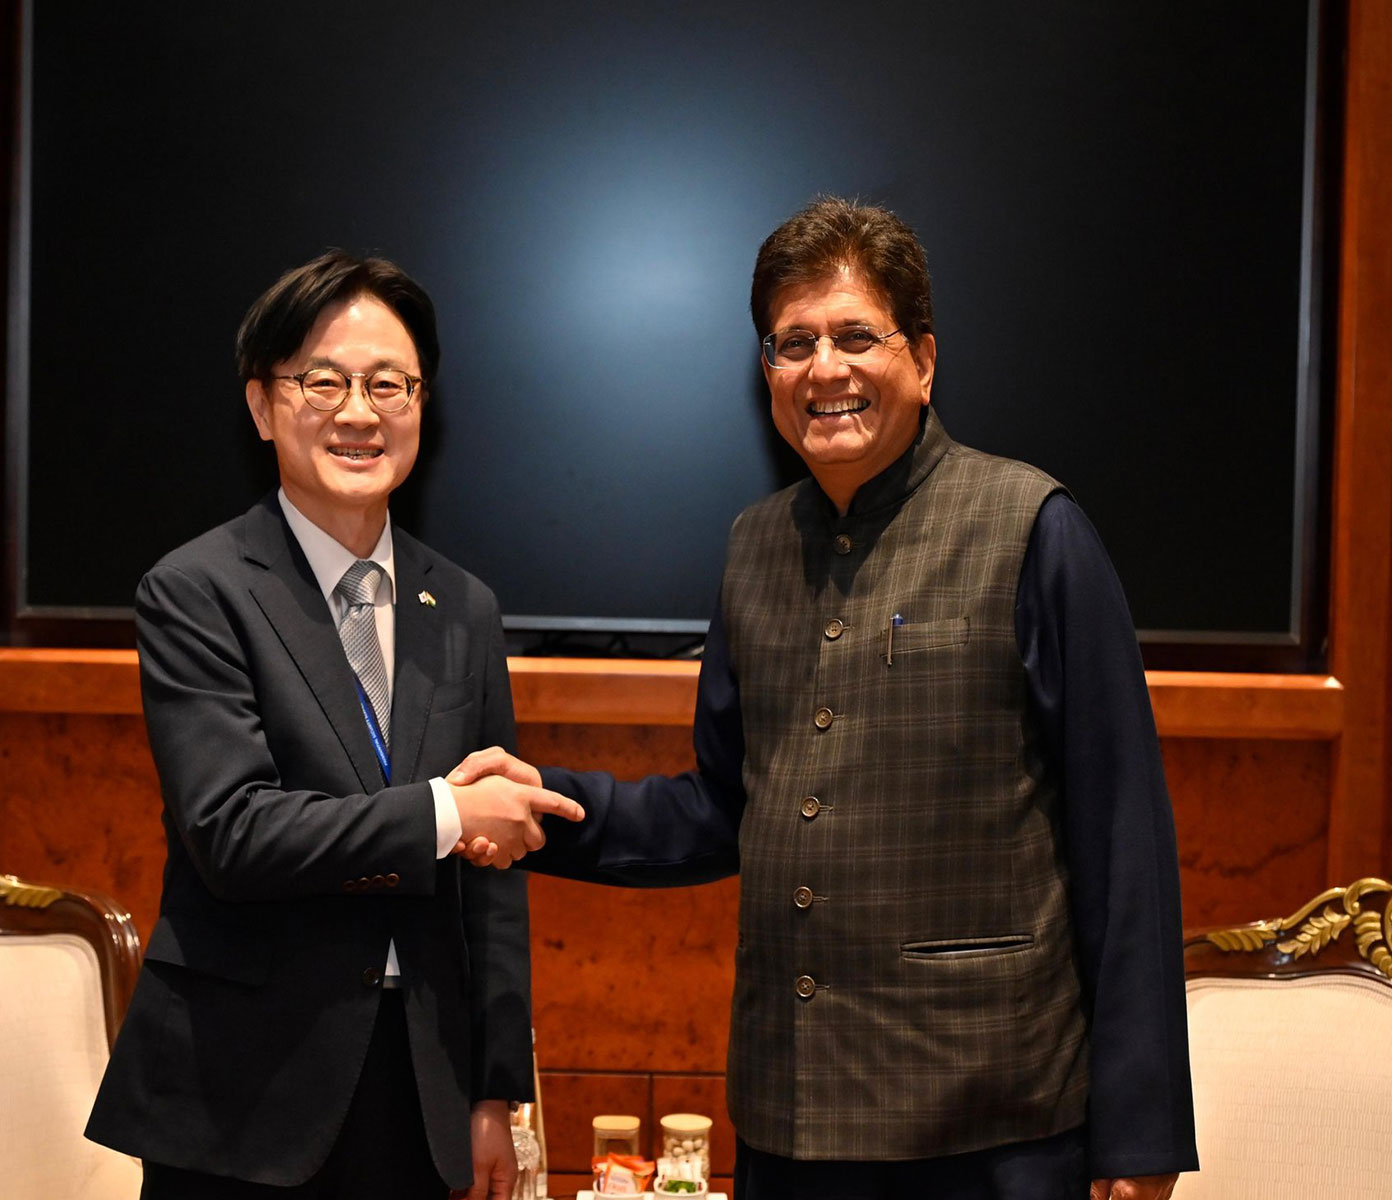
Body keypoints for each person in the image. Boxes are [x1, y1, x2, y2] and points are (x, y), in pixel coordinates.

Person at [454, 199, 1197, 1200]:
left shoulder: (1035, 528)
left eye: (856, 336)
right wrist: (547, 807)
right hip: (790, 1120)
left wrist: (1139, 1136)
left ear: (923, 360)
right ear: (766, 372)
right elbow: (724, 806)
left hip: (993, 1127)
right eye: (792, 343)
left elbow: (1126, 844)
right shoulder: (755, 546)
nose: (825, 369)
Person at [85, 251, 583, 1200]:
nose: (360, 412)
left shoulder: (464, 605)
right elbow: (233, 831)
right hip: (244, 1096)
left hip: (424, 1089)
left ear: (422, 407)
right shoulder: (197, 591)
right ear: (264, 406)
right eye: (324, 381)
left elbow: (495, 887)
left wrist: (495, 1094)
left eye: (389, 383)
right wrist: (444, 812)